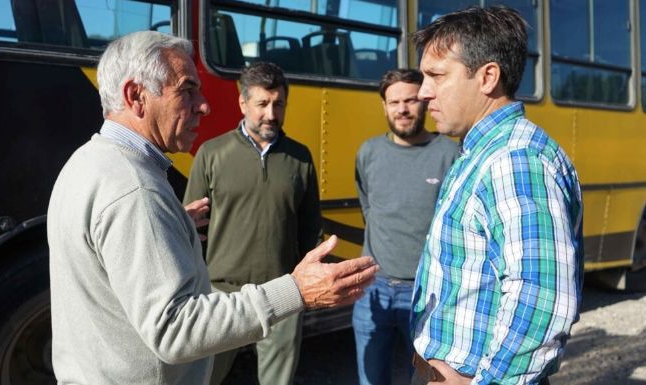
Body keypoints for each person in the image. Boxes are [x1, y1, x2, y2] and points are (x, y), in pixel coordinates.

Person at [47, 31, 377, 385]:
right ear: (136, 96)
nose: (203, 105)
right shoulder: (135, 190)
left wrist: (168, 226)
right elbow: (176, 329)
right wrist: (296, 291)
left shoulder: (88, 162)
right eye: (187, 90)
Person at [409, 6, 583, 385]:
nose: (423, 92)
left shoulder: (515, 159)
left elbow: (540, 301)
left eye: (436, 76)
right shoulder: (481, 151)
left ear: (488, 76)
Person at [183, 61, 322, 385]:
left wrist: (306, 288)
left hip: (283, 293)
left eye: (279, 104)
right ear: (243, 103)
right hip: (219, 296)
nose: (271, 114)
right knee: (202, 378)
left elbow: (309, 230)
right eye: (262, 104)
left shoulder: (300, 158)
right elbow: (190, 230)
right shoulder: (211, 153)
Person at [352, 68, 459, 385]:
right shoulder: (368, 152)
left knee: (430, 381)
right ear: (384, 106)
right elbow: (368, 207)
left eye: (410, 100)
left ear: (424, 101)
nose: (402, 109)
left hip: (428, 294)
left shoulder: (450, 155)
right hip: (373, 289)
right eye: (394, 101)